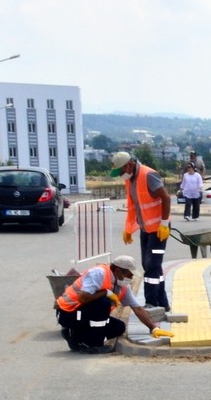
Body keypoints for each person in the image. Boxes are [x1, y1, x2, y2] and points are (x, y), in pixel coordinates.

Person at [111, 150, 174, 311]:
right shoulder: (130, 179)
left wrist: (165, 223)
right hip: (146, 229)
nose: (120, 175)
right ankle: (163, 303)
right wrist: (129, 228)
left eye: (121, 171)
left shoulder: (148, 175)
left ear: (129, 165)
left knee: (152, 264)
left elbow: (166, 198)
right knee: (151, 265)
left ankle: (152, 303)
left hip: (160, 229)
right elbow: (134, 206)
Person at [54, 255, 145, 354]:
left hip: (82, 315)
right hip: (68, 312)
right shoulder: (98, 273)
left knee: (119, 327)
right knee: (102, 302)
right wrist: (106, 292)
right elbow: (83, 298)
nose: (131, 278)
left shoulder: (123, 286)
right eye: (129, 275)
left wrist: (154, 328)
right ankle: (93, 345)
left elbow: (138, 308)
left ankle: (75, 337)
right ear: (118, 271)